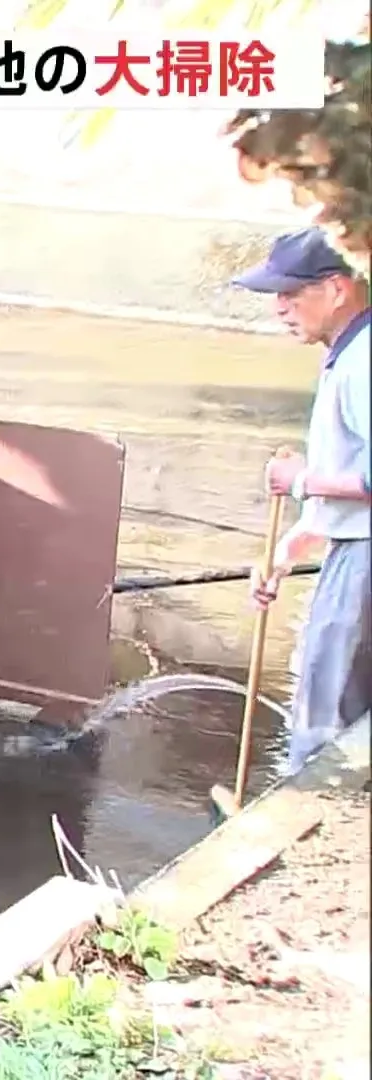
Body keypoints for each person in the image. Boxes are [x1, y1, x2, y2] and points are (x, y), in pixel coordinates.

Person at [238, 227, 371, 776]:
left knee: (326, 714)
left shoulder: (364, 357)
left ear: (338, 289)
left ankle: (301, 830)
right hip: (351, 545)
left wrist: (301, 480)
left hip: (363, 562)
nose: (279, 308)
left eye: (292, 293)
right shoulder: (348, 351)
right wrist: (293, 544)